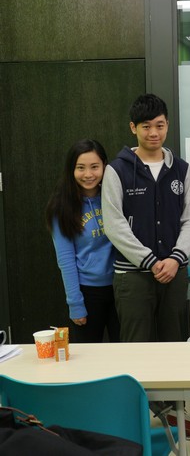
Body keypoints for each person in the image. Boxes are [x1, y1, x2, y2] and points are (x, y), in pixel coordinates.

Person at [102, 93, 190, 438]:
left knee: (172, 345)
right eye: (146, 127)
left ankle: (174, 414)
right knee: (136, 347)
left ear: (167, 125)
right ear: (133, 128)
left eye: (160, 125)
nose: (154, 133)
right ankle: (134, 421)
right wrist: (148, 260)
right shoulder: (117, 170)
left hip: (174, 274)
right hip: (133, 278)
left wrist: (175, 259)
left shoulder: (181, 169)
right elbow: (114, 224)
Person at [46, 139, 120, 343]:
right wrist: (75, 304)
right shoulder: (61, 207)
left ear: (105, 166)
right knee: (88, 357)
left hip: (121, 287)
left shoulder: (115, 199)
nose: (88, 174)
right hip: (88, 292)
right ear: (71, 170)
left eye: (95, 167)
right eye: (81, 168)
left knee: (125, 353)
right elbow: (66, 259)